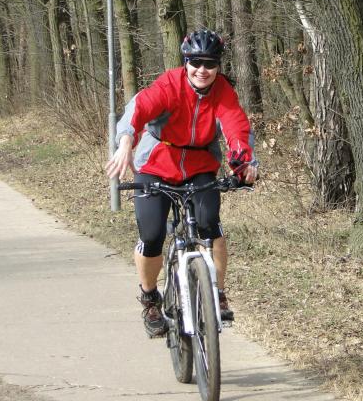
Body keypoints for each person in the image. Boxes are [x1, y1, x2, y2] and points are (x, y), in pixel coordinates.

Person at [105, 29, 259, 337]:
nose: (203, 70)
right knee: (151, 235)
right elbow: (139, 108)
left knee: (210, 224)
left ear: (218, 66)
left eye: (210, 63)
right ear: (185, 62)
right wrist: (126, 141)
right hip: (156, 164)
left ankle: (217, 292)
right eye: (196, 62)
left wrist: (243, 162)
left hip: (200, 166)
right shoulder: (169, 85)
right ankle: (150, 298)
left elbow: (235, 126)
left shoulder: (223, 91)